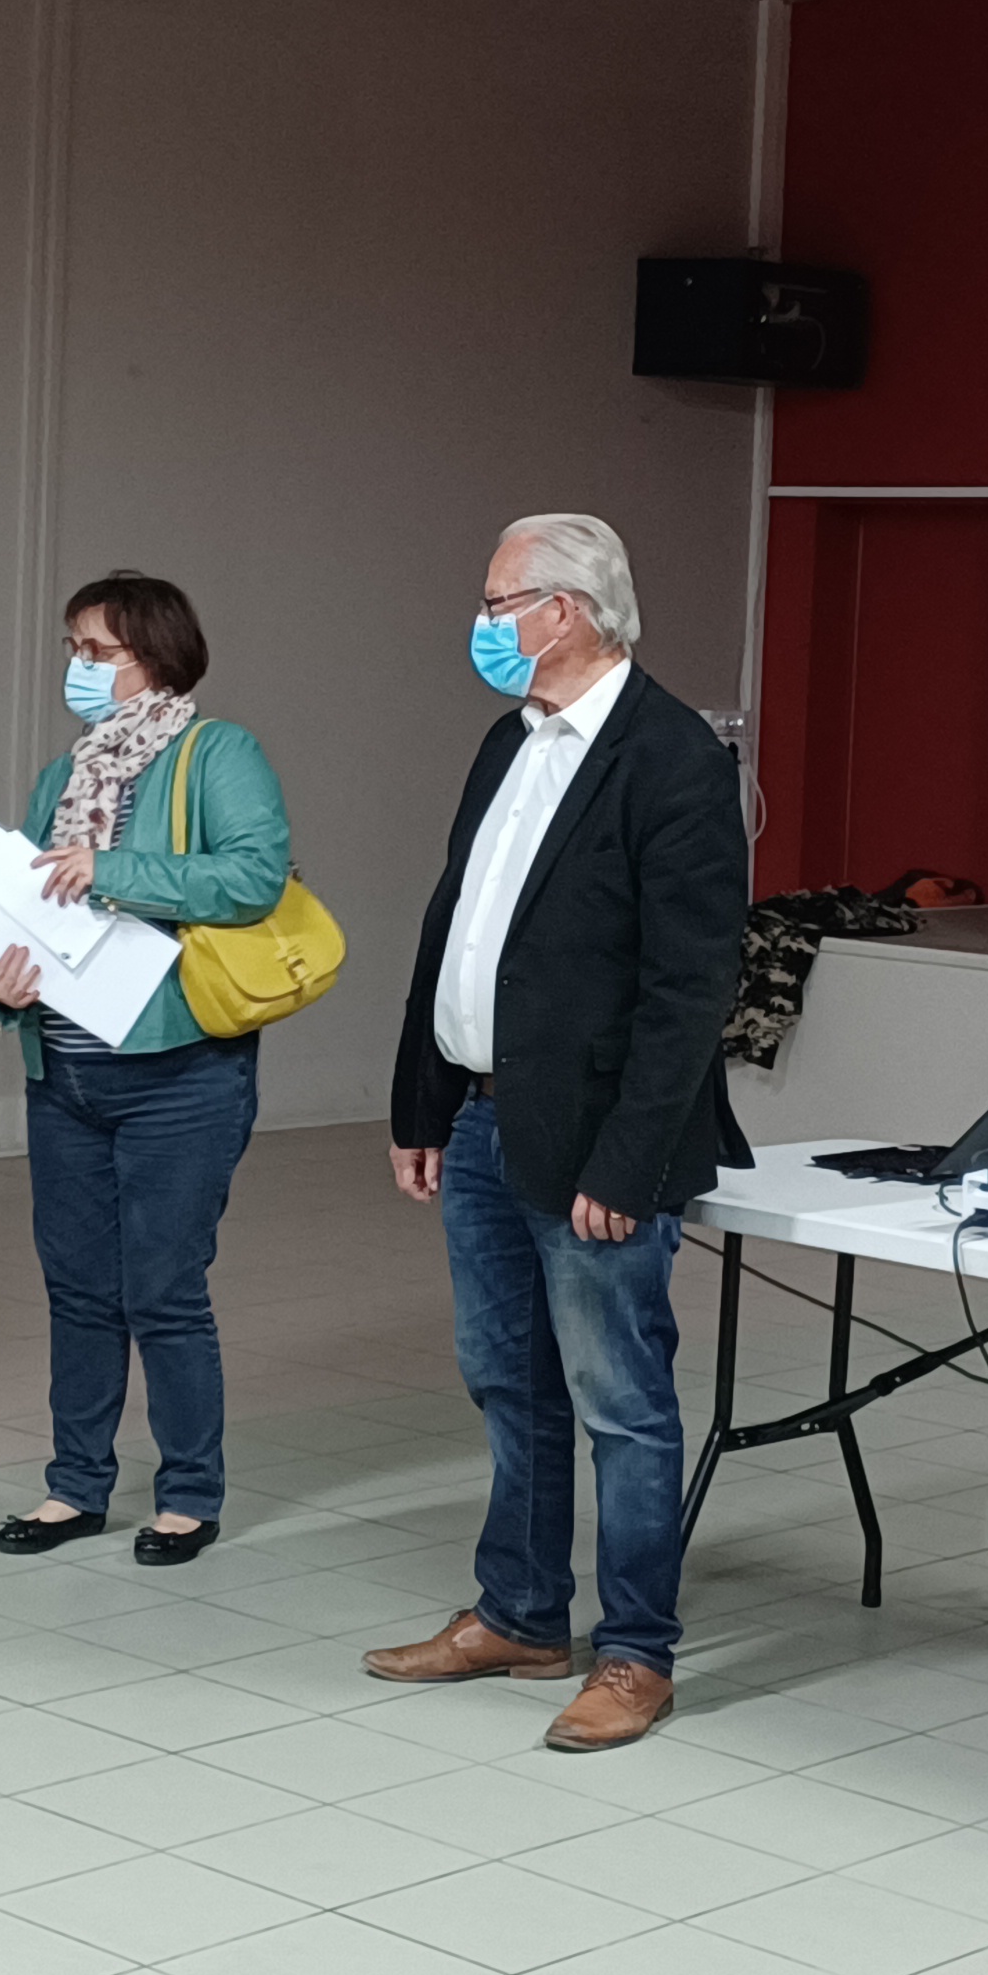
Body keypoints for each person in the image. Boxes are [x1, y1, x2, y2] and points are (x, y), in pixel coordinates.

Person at [371, 514, 747, 1755]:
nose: (481, 625)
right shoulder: (508, 740)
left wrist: (627, 1161)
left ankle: (636, 1654)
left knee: (620, 1405)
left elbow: (689, 987)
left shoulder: (670, 757)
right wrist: (422, 1101)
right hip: (484, 1119)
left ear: (565, 611)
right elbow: (457, 932)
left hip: (598, 1147)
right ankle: (522, 1614)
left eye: (497, 603)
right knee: (506, 1381)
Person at [0, 571, 289, 1567]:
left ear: (153, 655)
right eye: (72, 648)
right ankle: (75, 1486)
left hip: (179, 1074)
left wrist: (111, 869)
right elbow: (26, 910)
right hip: (65, 1075)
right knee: (77, 1289)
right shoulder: (61, 775)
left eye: (96, 651)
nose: (77, 667)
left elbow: (253, 877)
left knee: (162, 1289)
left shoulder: (217, 752)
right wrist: (3, 987)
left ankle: (188, 1495)